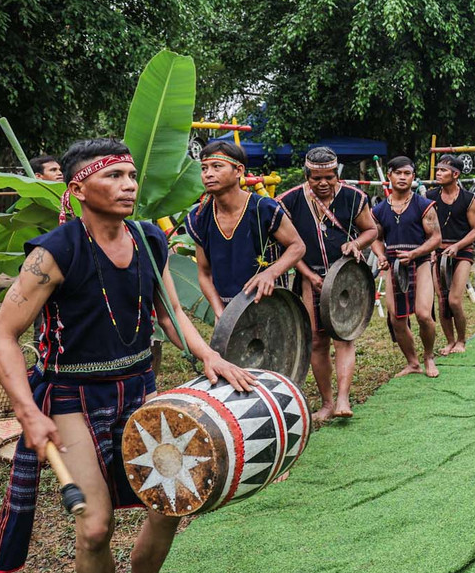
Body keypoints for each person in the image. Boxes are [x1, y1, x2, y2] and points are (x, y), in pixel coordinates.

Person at [0, 138, 255, 573]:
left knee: (170, 501)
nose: (129, 185)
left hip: (137, 389)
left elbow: (171, 314)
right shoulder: (55, 252)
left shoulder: (151, 240)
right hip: (71, 397)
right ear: (79, 188)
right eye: (114, 177)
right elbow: (2, 336)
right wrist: (28, 412)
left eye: (132, 175)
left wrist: (209, 356)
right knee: (95, 526)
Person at [279, 146, 378, 423]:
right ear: (307, 175)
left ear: (337, 175)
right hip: (310, 276)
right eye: (316, 178)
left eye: (329, 178)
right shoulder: (290, 201)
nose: (323, 183)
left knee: (344, 337)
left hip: (346, 277)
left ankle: (344, 399)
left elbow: (372, 230)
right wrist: (307, 274)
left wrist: (356, 243)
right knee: (317, 341)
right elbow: (288, 244)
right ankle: (327, 402)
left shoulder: (353, 197)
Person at [184, 141, 306, 318]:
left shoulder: (263, 208)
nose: (208, 174)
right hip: (229, 312)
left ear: (238, 171)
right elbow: (204, 273)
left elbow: (298, 246)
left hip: (271, 305)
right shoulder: (200, 217)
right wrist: (221, 313)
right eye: (204, 168)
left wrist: (271, 273)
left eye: (217, 166)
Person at [372, 156, 442, 378]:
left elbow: (436, 239)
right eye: (398, 173)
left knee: (423, 314)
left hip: (420, 262)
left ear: (413, 177)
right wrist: (381, 255)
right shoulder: (380, 209)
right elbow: (375, 237)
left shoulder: (423, 205)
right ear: (389, 175)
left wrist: (414, 253)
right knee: (397, 318)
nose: (403, 178)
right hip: (393, 265)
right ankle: (412, 362)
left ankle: (429, 357)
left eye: (407, 174)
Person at [427, 155, 475, 354]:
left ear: (455, 174)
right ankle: (449, 341)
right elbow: (425, 226)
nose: (438, 173)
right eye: (438, 170)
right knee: (442, 299)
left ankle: (461, 340)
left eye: (443, 170)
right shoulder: (429, 196)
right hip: (437, 251)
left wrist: (457, 246)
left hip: (462, 251)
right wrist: (430, 249)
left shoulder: (469, 199)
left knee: (454, 300)